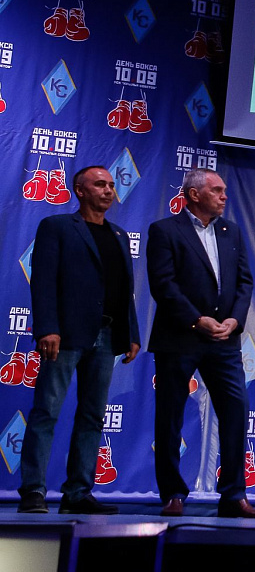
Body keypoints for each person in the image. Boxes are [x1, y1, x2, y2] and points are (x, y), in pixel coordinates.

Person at [19, 166, 140, 515]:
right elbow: (43, 280)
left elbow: (124, 289)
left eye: (111, 185)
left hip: (107, 336)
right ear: (79, 190)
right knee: (46, 412)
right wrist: (47, 328)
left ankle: (77, 493)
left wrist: (131, 332)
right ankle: (33, 491)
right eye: (100, 184)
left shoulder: (119, 235)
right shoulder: (57, 226)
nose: (108, 190)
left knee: (93, 416)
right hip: (66, 334)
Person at [147, 168, 255, 518]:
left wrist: (235, 320)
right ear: (194, 194)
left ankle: (234, 495)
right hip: (180, 337)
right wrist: (196, 320)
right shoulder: (165, 230)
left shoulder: (232, 231)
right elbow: (163, 284)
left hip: (224, 340)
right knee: (170, 416)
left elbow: (244, 282)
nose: (224, 196)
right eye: (216, 190)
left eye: (224, 190)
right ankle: (172, 493)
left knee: (235, 412)